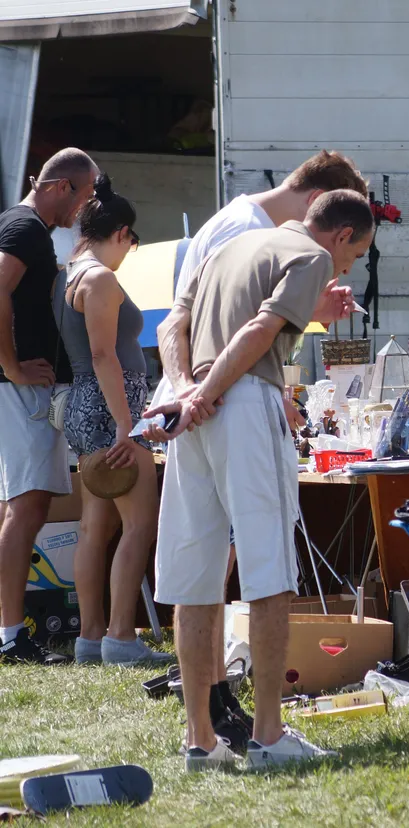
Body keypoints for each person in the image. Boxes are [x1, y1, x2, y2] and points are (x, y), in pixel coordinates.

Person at [144, 189, 374, 772]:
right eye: (355, 254)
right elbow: (262, 331)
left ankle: (201, 741)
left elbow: (174, 323)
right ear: (341, 234)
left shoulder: (225, 245)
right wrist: (207, 392)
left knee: (194, 578)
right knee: (269, 571)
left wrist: (182, 390)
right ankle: (269, 736)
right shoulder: (312, 257)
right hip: (237, 402)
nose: (346, 268)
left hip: (191, 411)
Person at [54, 175, 174, 667]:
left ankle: (91, 638)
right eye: (133, 243)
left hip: (88, 407)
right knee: (140, 524)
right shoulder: (100, 278)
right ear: (122, 232)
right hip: (110, 409)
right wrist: (128, 427)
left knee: (94, 526)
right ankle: (122, 637)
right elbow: (104, 354)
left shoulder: (69, 273)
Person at [0, 148, 98, 665]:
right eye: (84, 196)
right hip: (21, 388)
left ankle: (9, 630)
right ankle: (11, 634)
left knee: (23, 504)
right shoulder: (26, 228)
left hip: (25, 387)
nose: (84, 208)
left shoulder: (24, 227)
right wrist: (13, 366)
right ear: (61, 187)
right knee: (28, 504)